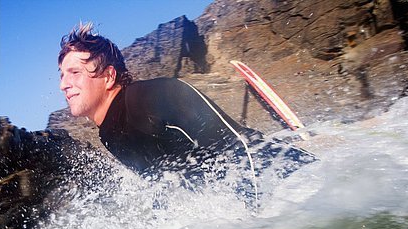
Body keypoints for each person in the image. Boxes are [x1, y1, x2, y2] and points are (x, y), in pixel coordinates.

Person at [58, 23, 314, 197]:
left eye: (74, 73)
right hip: (260, 203)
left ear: (108, 76)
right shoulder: (110, 135)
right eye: (61, 75)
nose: (63, 85)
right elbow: (172, 190)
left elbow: (240, 148)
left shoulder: (150, 97)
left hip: (297, 180)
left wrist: (255, 218)